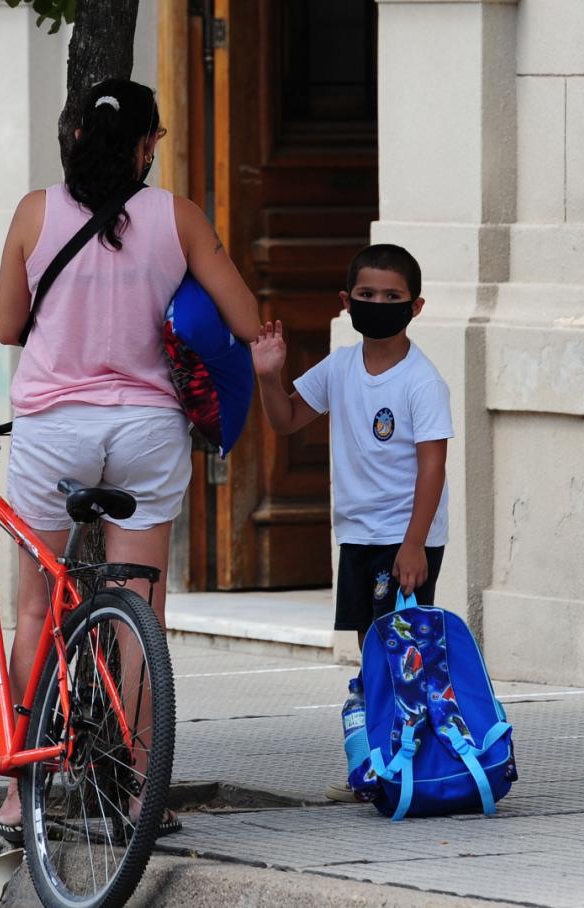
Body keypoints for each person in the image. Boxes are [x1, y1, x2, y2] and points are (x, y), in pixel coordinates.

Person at [0, 78, 259, 841]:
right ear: (146, 146)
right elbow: (239, 317)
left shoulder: (33, 212)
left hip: (51, 432)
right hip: (145, 432)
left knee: (36, 609)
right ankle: (141, 797)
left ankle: (20, 795)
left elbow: (10, 326)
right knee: (140, 614)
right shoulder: (177, 218)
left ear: (76, 137)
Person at [250, 243, 452, 799]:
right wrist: (270, 376)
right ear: (347, 301)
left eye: (392, 297)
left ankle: (410, 761)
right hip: (360, 535)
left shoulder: (422, 381)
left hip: (405, 539)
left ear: (416, 307)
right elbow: (288, 417)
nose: (378, 303)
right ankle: (385, 761)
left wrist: (414, 545)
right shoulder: (340, 366)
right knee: (372, 648)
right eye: (366, 295)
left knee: (399, 648)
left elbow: (432, 466)